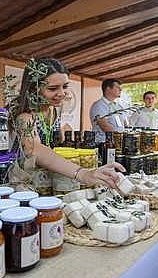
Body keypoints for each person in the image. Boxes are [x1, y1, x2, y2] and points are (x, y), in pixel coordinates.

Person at [8, 58, 124, 188]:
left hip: (44, 182)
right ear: (33, 89)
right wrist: (82, 173)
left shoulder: (54, 110)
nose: (62, 93)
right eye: (52, 88)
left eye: (65, 87)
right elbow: (34, 149)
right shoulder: (24, 117)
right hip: (21, 185)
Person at [90, 79, 128, 143]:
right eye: (117, 87)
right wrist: (120, 137)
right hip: (103, 144)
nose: (120, 90)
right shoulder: (98, 105)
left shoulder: (119, 106)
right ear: (108, 89)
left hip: (119, 143)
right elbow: (105, 126)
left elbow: (125, 124)